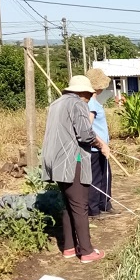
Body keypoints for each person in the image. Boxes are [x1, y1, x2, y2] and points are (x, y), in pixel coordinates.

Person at [41, 75, 110, 264]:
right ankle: (87, 251)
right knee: (80, 205)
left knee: (68, 203)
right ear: (81, 93)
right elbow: (85, 135)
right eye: (88, 94)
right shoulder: (78, 104)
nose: (88, 98)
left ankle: (69, 248)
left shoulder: (56, 104)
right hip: (72, 159)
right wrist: (101, 144)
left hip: (54, 161)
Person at [85, 68, 116, 219]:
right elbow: (88, 128)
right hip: (95, 149)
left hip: (101, 148)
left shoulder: (94, 101)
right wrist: (101, 144)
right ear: (98, 87)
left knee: (106, 176)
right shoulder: (90, 103)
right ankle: (94, 209)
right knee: (95, 179)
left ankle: (105, 204)